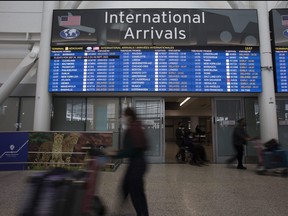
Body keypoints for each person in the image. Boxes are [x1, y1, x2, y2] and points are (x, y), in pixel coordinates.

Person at [107, 107, 149, 216]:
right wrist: (118, 151)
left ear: (129, 116)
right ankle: (123, 210)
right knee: (125, 187)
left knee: (137, 194)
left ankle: (142, 213)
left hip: (137, 164)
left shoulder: (134, 129)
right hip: (135, 163)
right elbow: (131, 148)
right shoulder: (135, 127)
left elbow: (133, 150)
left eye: (123, 115)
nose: (122, 118)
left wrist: (116, 154)